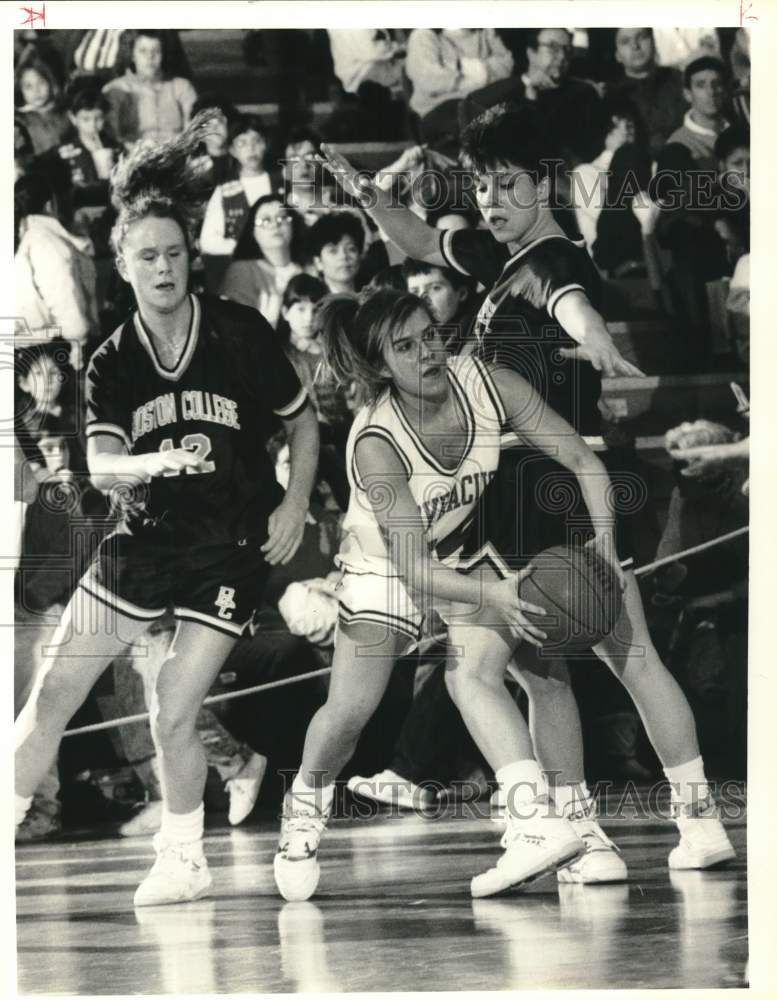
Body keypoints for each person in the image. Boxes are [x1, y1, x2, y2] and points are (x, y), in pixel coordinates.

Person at [307, 108, 735, 882]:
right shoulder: (498, 262)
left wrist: (597, 335)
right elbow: (417, 238)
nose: (493, 201)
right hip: (549, 482)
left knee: (548, 667)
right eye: (481, 187)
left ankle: (598, 829)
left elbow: (570, 299)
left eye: (507, 185)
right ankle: (636, 833)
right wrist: (371, 198)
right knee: (568, 669)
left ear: (541, 185)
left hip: (543, 484)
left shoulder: (546, 260)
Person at [14, 113, 320, 907]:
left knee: (172, 710)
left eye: (175, 254)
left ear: (192, 259)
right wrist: (151, 461)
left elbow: (304, 417)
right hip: (142, 542)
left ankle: (183, 856)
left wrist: (292, 501)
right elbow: (103, 463)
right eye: (146, 255)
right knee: (52, 692)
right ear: (123, 262)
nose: (163, 267)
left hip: (226, 548)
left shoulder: (240, 333)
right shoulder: (113, 360)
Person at [273, 287, 625, 903]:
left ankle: (563, 827)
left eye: (430, 335)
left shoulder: (489, 383)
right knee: (351, 713)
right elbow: (411, 570)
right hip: (385, 567)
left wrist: (602, 541)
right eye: (406, 347)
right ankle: (303, 811)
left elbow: (581, 458)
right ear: (381, 366)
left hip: (459, 549)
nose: (428, 353)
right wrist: (497, 591)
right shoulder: (376, 442)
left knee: (537, 667)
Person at [459, 28, 603, 166]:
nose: (562, 56)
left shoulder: (582, 93)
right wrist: (528, 92)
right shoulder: (502, 93)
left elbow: (581, 151)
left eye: (567, 49)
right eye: (552, 47)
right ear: (531, 53)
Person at [15, 171, 99, 371]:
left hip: (44, 340)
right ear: (50, 205)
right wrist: (79, 341)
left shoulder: (32, 236)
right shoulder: (45, 242)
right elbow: (63, 296)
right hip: (58, 346)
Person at [405, 29, 513, 147]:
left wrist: (459, 66)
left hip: (480, 104)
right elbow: (430, 82)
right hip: (437, 111)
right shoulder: (423, 35)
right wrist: (483, 74)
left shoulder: (487, 31)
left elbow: (507, 67)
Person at [220, 195, 310, 327]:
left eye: (282, 217)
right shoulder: (242, 271)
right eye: (265, 220)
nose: (275, 224)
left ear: (293, 225)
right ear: (252, 231)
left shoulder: (311, 268)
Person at [102, 29, 197, 148]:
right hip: (133, 158)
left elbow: (193, 129)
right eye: (143, 51)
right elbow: (112, 136)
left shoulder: (181, 87)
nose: (150, 57)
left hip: (176, 156)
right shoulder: (115, 89)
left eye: (156, 51)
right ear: (132, 55)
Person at [199, 115, 274, 258]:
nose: (251, 149)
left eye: (257, 141)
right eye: (242, 143)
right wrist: (243, 247)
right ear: (233, 150)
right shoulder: (225, 190)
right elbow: (207, 241)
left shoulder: (280, 182)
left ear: (266, 144)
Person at [607, 28, 688, 160]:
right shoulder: (611, 95)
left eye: (642, 37)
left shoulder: (680, 81)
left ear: (654, 41)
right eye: (625, 41)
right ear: (617, 54)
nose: (635, 46)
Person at [663, 54, 730, 172]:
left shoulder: (741, 129)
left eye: (717, 84)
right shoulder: (678, 144)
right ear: (687, 94)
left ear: (724, 91)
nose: (711, 91)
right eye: (701, 85)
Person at [14, 59, 70, 156]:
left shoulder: (66, 113)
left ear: (50, 83)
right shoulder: (18, 122)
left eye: (41, 83)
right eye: (28, 86)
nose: (36, 91)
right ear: (20, 90)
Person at [309, 212, 365, 294]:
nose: (343, 256)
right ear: (318, 262)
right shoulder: (310, 304)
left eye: (351, 249)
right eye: (333, 251)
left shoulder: (373, 297)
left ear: (360, 255)